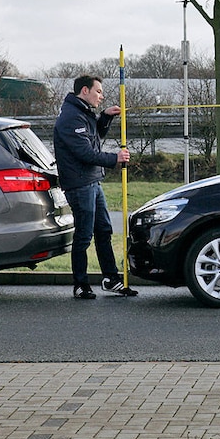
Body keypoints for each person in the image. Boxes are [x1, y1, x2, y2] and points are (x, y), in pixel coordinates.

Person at [53, 74, 138, 299]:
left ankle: (110, 279)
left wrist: (105, 118)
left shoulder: (84, 113)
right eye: (98, 91)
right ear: (85, 91)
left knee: (104, 230)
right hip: (80, 184)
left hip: (92, 181)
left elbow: (94, 137)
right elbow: (84, 152)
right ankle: (80, 285)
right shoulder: (71, 117)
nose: (101, 96)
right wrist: (115, 159)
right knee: (83, 235)